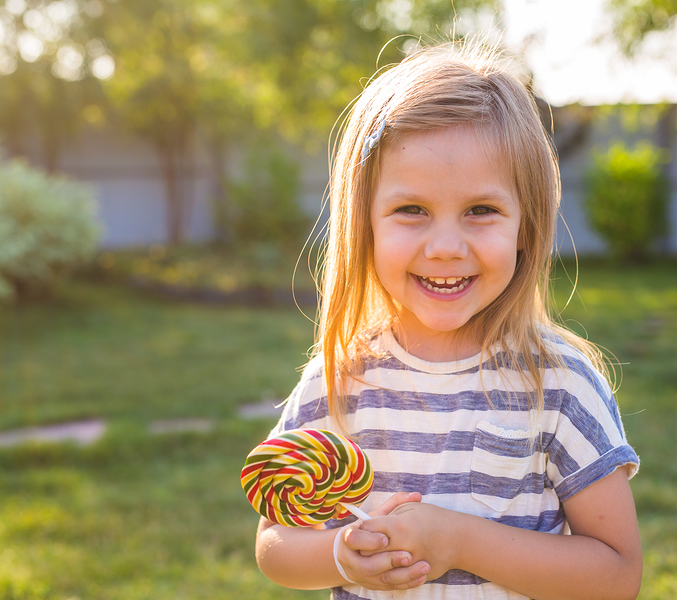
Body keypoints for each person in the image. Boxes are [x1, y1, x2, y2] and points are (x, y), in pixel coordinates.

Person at [255, 39, 642, 600]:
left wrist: (459, 541)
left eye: (480, 211)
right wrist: (342, 555)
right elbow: (274, 545)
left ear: (525, 227)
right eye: (411, 210)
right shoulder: (340, 380)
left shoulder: (559, 386)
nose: (444, 247)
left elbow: (616, 576)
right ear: (365, 224)